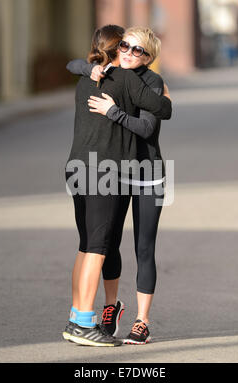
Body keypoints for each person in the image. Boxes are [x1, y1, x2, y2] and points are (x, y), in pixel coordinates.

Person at [63, 25, 172, 347]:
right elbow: (165, 107)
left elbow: (160, 114)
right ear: (115, 48)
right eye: (125, 45)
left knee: (100, 246)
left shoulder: (111, 78)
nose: (129, 52)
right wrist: (88, 66)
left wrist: (113, 111)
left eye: (138, 49)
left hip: (127, 172)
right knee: (98, 247)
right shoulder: (104, 75)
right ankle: (87, 319)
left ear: (149, 56)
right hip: (108, 172)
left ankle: (137, 320)